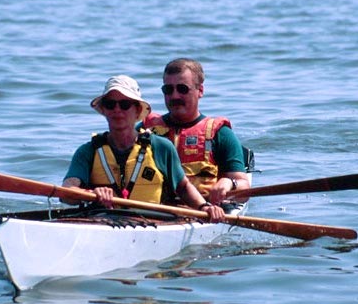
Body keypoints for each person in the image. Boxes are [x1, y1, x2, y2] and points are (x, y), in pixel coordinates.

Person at [61, 75, 225, 222]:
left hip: (152, 223)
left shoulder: (161, 147)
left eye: (125, 104)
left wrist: (204, 207)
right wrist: (92, 193)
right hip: (102, 222)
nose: (117, 110)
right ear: (103, 110)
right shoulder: (88, 151)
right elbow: (67, 191)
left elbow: (182, 188)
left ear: (138, 110)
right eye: (110, 104)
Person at [140, 58, 251, 206]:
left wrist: (229, 183)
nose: (174, 96)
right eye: (168, 90)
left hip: (203, 211)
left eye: (182, 89)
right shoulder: (146, 129)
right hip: (150, 210)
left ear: (200, 91)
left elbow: (244, 187)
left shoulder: (220, 134)